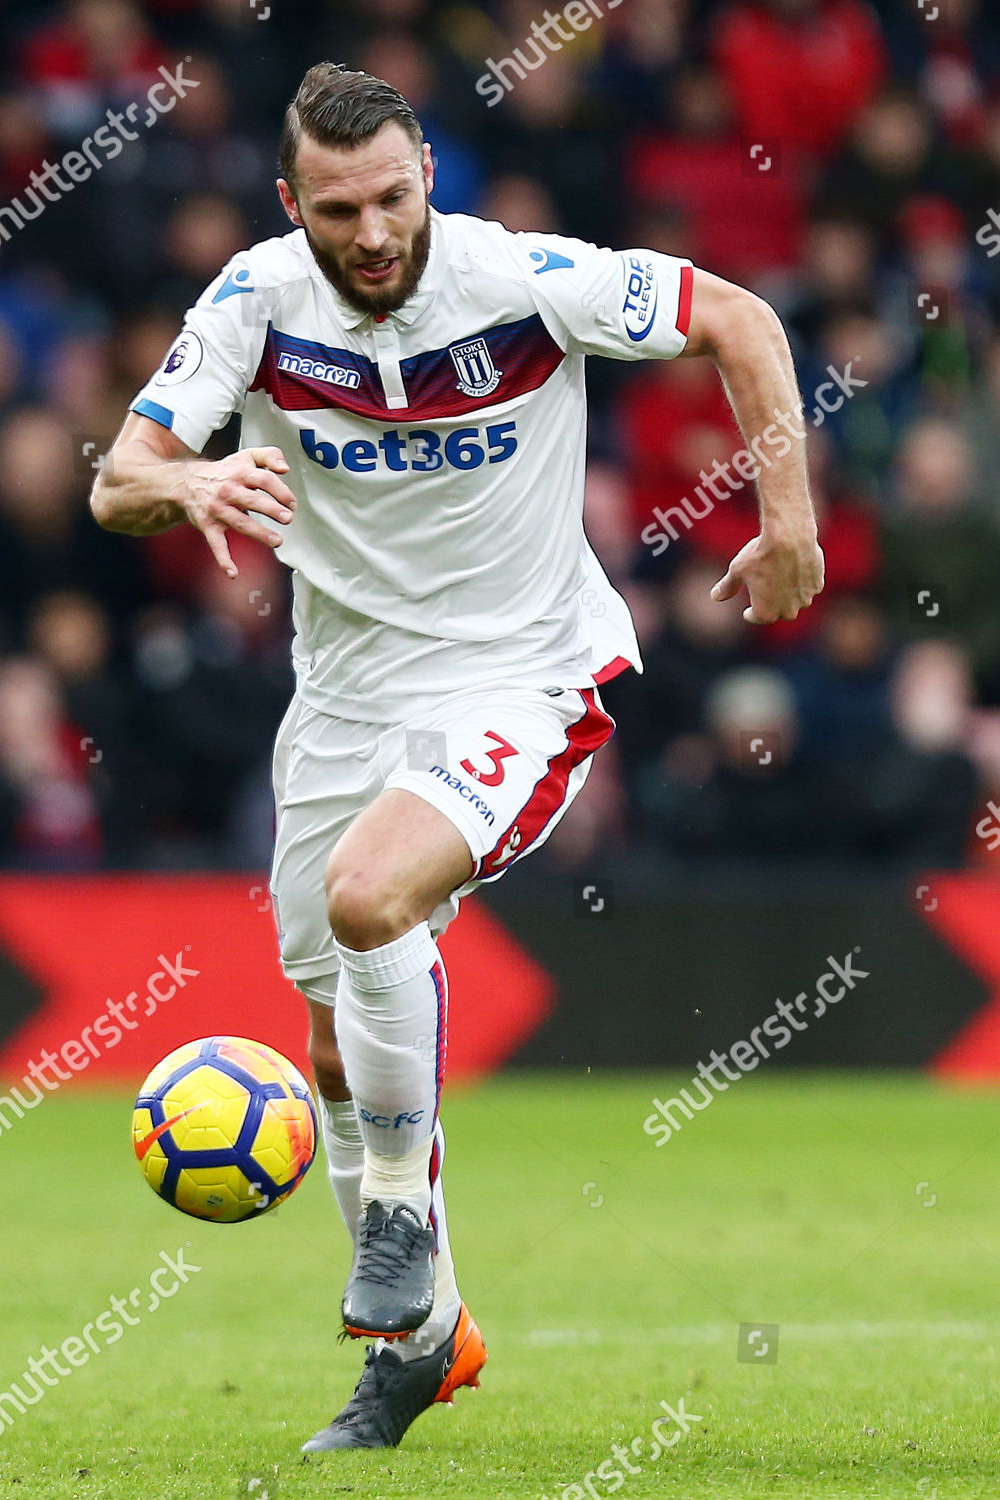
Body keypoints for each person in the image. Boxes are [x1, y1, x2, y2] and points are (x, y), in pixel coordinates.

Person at [90, 61, 824, 1451]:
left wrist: (785, 518)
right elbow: (116, 479)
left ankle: (393, 1222)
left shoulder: (519, 278)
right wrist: (188, 478)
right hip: (344, 697)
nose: (370, 236)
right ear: (288, 202)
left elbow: (736, 316)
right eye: (336, 211)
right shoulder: (252, 303)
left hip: (520, 675)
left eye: (389, 200)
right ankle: (426, 1340)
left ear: (425, 171)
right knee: (323, 1043)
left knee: (377, 900)